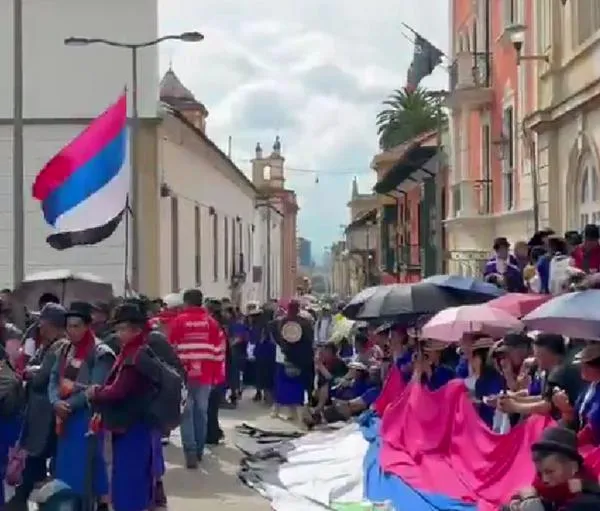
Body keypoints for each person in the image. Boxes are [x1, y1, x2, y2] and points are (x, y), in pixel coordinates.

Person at [86, 303, 156, 511]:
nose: (118, 334)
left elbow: (118, 390)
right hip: (134, 424)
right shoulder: (136, 351)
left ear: (136, 329)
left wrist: (95, 392)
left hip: (133, 426)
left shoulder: (134, 356)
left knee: (128, 482)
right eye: (117, 329)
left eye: (122, 329)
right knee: (132, 480)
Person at [48, 301, 115, 510]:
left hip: (87, 420)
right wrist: (55, 401)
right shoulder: (64, 348)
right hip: (64, 420)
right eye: (68, 326)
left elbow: (95, 388)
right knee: (66, 472)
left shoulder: (101, 352)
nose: (71, 331)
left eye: (76, 326)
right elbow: (53, 378)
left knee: (86, 471)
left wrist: (67, 405)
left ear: (87, 326)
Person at [9, 304, 69, 510]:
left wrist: (30, 373)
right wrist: (31, 371)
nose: (39, 326)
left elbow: (41, 378)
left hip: (47, 415)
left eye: (42, 321)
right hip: (38, 412)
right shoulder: (46, 345)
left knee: (38, 457)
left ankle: (24, 498)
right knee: (35, 459)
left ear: (51, 324)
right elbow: (29, 368)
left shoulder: (60, 346)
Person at [169, 289, 226, 469]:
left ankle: (190, 452)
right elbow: (220, 351)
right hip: (206, 375)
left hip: (184, 375)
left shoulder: (178, 321)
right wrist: (217, 376)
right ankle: (200, 449)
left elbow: (171, 349)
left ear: (186, 302)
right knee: (201, 413)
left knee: (186, 414)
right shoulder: (212, 323)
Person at [504, 426, 600, 510]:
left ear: (573, 467)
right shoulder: (552, 493)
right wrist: (516, 502)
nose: (544, 479)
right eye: (540, 473)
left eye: (550, 472)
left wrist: (531, 503)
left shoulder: (587, 502)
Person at [498, 333, 583, 421]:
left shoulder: (562, 372)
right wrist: (515, 399)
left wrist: (515, 406)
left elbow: (547, 405)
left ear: (551, 355)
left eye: (539, 356)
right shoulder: (549, 371)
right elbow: (544, 397)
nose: (535, 360)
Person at [271, 300, 315, 422]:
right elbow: (310, 340)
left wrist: (285, 348)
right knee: (296, 386)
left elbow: (278, 337)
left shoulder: (282, 322)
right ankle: (294, 413)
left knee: (285, 385)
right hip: (300, 359)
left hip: (287, 357)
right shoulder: (305, 323)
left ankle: (288, 411)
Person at [554, 343, 600, 445]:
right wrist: (565, 409)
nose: (582, 368)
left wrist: (570, 444)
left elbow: (591, 428)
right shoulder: (589, 387)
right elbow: (574, 418)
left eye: (588, 365)